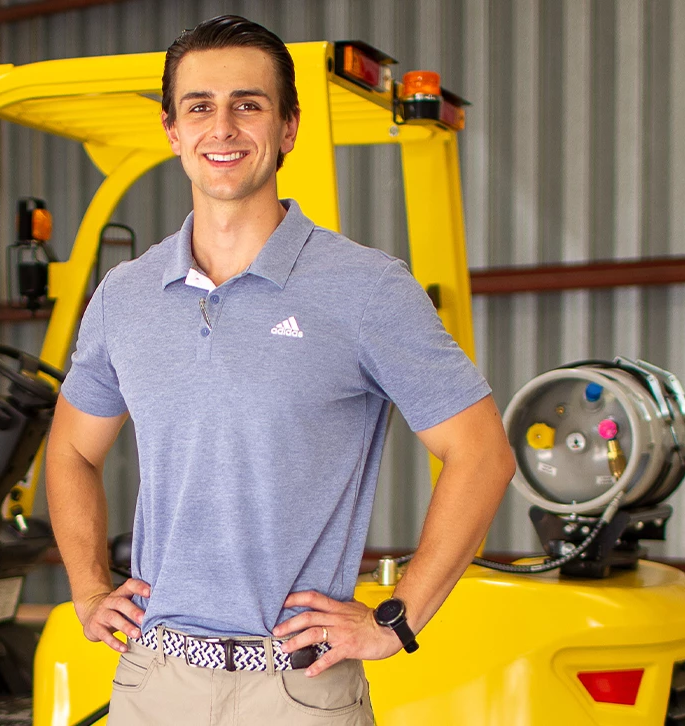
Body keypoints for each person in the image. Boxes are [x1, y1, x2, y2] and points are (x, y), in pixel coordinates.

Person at [45, 16, 515, 725]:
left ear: (288, 128)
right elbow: (72, 450)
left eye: (249, 104)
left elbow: (481, 453)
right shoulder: (125, 297)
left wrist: (397, 619)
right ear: (172, 131)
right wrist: (87, 589)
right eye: (199, 106)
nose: (222, 126)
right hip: (154, 684)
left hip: (296, 689)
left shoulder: (365, 288)